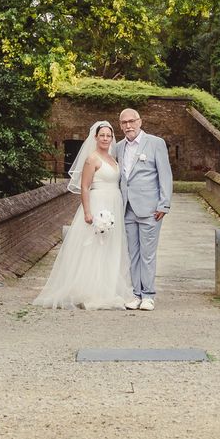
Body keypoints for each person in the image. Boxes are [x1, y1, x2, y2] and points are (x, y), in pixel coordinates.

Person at [34, 120, 134, 310]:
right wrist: (88, 212)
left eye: (108, 135)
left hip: (114, 203)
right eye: (102, 135)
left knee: (110, 247)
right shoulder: (92, 159)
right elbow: (85, 187)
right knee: (94, 247)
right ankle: (91, 290)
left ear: (112, 138)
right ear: (95, 138)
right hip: (98, 204)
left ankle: (108, 287)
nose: (105, 138)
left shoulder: (113, 159)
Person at [114, 106, 172, 311]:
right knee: (133, 254)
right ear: (120, 126)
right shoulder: (119, 147)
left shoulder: (156, 143)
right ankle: (136, 294)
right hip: (127, 208)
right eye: (124, 122)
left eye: (132, 121)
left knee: (148, 254)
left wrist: (164, 204)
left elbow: (165, 175)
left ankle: (148, 295)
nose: (128, 125)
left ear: (140, 122)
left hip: (150, 209)